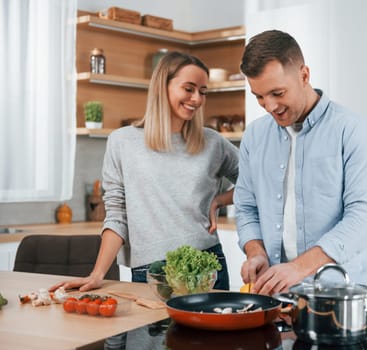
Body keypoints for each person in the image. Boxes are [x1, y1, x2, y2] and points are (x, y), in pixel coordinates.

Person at [50, 51, 239, 348]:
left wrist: (220, 200)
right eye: (188, 89)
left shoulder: (213, 142)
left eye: (203, 92)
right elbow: (117, 214)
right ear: (163, 85)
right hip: (151, 273)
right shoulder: (122, 142)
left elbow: (257, 186)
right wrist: (98, 273)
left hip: (208, 269)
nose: (197, 99)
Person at [234, 30, 367, 295]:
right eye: (259, 96)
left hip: (342, 300)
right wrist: (255, 251)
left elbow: (362, 219)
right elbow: (246, 207)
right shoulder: (255, 137)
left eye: (277, 93)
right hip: (276, 297)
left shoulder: (352, 130)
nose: (269, 106)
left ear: (304, 75)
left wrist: (298, 268)